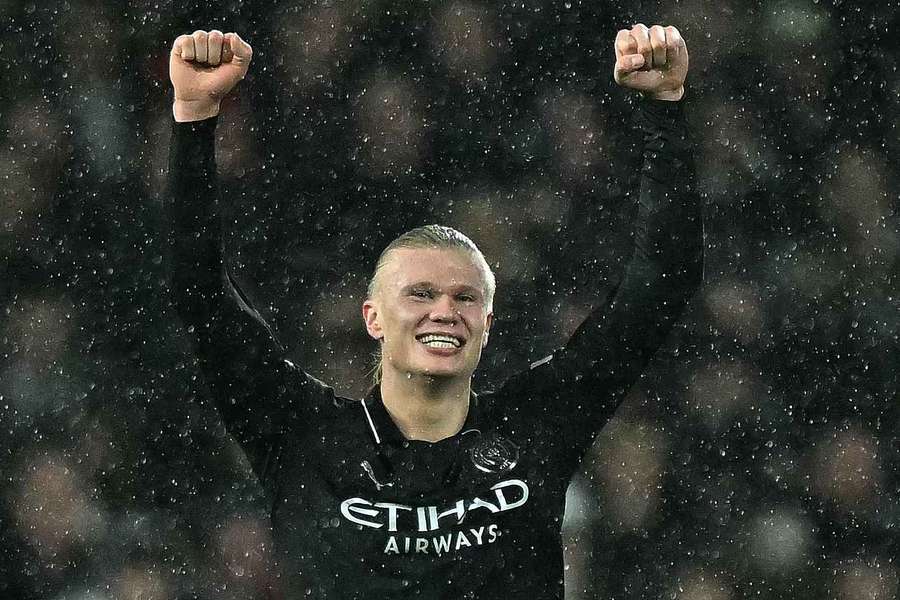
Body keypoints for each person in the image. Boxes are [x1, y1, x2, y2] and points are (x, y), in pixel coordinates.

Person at [167, 23, 702, 600]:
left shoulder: (536, 427)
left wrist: (664, 109)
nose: (444, 311)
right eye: (420, 294)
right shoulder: (303, 440)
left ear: (488, 325)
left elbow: (660, 288)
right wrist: (194, 118)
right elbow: (199, 293)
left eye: (466, 297)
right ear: (372, 317)